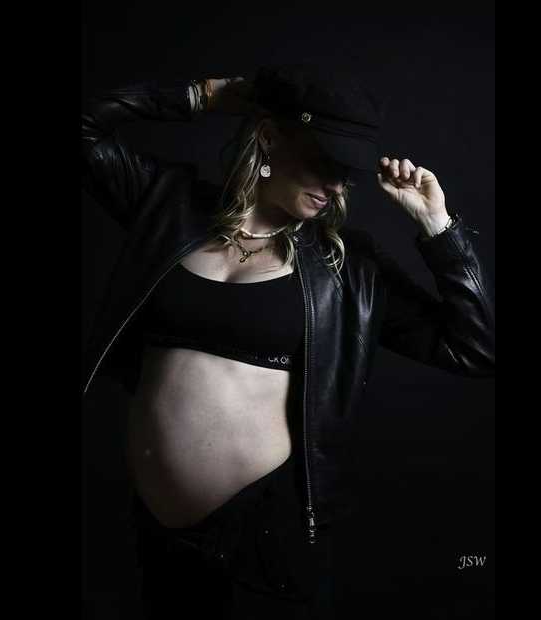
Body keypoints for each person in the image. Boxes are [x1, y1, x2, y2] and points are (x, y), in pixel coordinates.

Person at [81, 62, 495, 619]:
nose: (336, 185)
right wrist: (201, 96)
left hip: (264, 537)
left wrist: (440, 228)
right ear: (270, 138)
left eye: (346, 172)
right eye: (326, 163)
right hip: (157, 532)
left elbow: (474, 349)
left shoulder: (347, 268)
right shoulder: (169, 206)